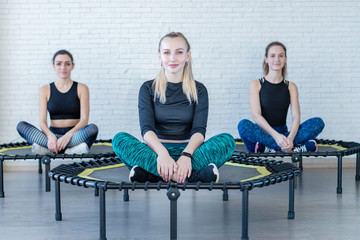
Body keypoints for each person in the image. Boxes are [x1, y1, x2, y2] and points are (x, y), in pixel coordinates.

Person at [113, 32, 235, 183]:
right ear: (160, 57)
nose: (173, 58)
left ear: (187, 56)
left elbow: (199, 131)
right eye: (167, 52)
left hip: (191, 153)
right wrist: (163, 155)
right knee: (119, 140)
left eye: (179, 52)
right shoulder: (147, 88)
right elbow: (147, 130)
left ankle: (152, 175)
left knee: (227, 141)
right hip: (156, 152)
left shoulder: (199, 90)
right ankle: (192, 176)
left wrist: (186, 156)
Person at [238, 41, 324, 153]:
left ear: (285, 59)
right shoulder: (256, 84)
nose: (277, 59)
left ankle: (272, 148)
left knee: (318, 122)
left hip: (284, 134)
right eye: (272, 56)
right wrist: (276, 137)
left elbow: (296, 117)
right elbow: (256, 117)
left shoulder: (291, 86)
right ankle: (291, 149)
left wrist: (290, 138)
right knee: (243, 125)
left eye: (281, 56)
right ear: (266, 59)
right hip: (263, 133)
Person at [17, 50, 98, 155]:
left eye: (67, 64)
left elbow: (84, 121)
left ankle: (50, 150)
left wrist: (68, 136)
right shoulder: (44, 89)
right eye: (59, 64)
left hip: (74, 136)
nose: (63, 67)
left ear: (72, 66)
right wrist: (50, 137)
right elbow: (42, 122)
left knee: (93, 129)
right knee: (21, 126)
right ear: (53, 66)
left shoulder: (82, 88)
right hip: (52, 136)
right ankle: (67, 149)